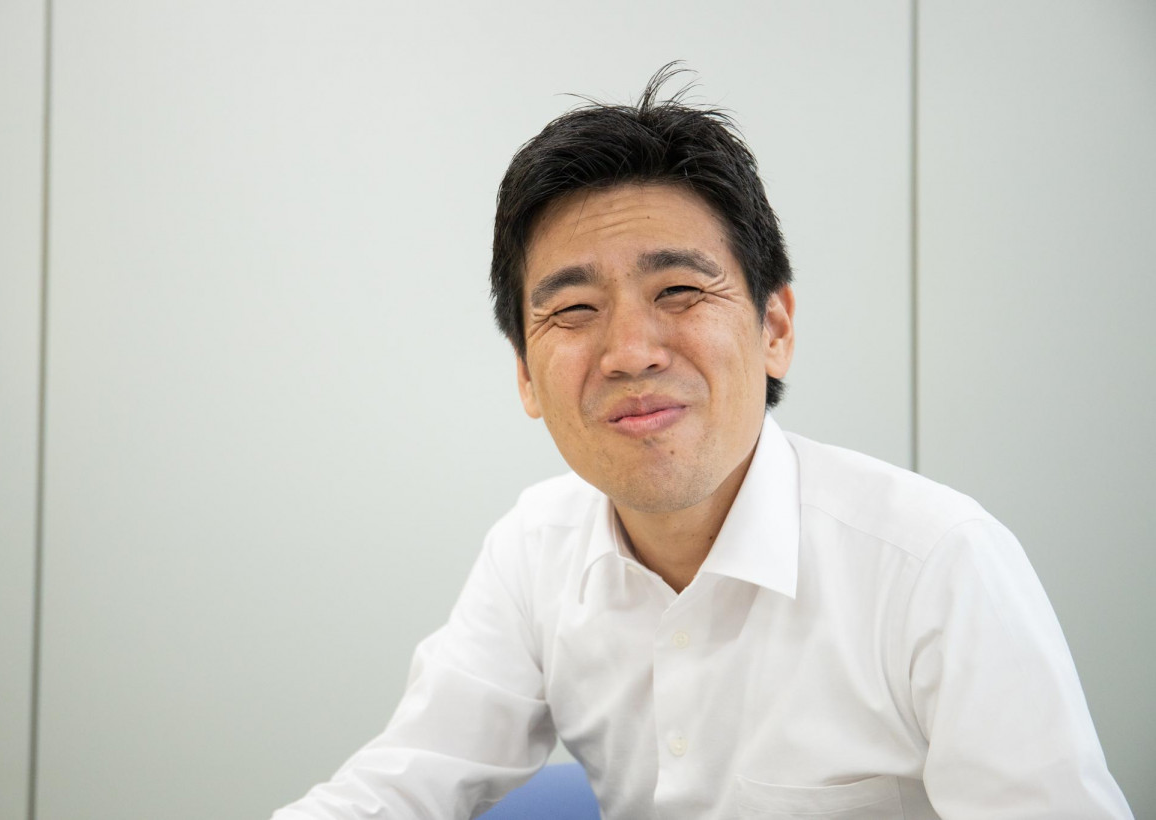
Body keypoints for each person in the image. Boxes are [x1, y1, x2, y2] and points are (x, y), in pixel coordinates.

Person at [273, 66, 1133, 819]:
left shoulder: (937, 565)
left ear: (774, 328)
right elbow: (402, 783)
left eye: (679, 291)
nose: (630, 351)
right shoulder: (534, 550)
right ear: (526, 375)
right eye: (574, 309)